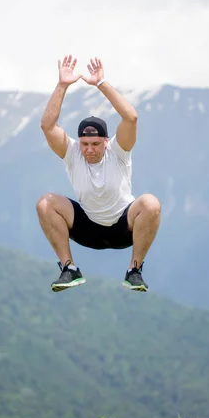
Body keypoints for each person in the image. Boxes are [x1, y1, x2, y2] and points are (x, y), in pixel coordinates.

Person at [36, 55, 161, 293]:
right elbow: (47, 126)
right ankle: (69, 269)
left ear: (106, 141)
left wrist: (100, 83)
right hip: (87, 228)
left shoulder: (119, 152)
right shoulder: (72, 153)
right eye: (85, 144)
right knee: (45, 203)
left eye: (95, 143)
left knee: (151, 203)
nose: (89, 150)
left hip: (124, 228)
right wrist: (62, 85)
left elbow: (131, 117)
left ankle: (134, 271)